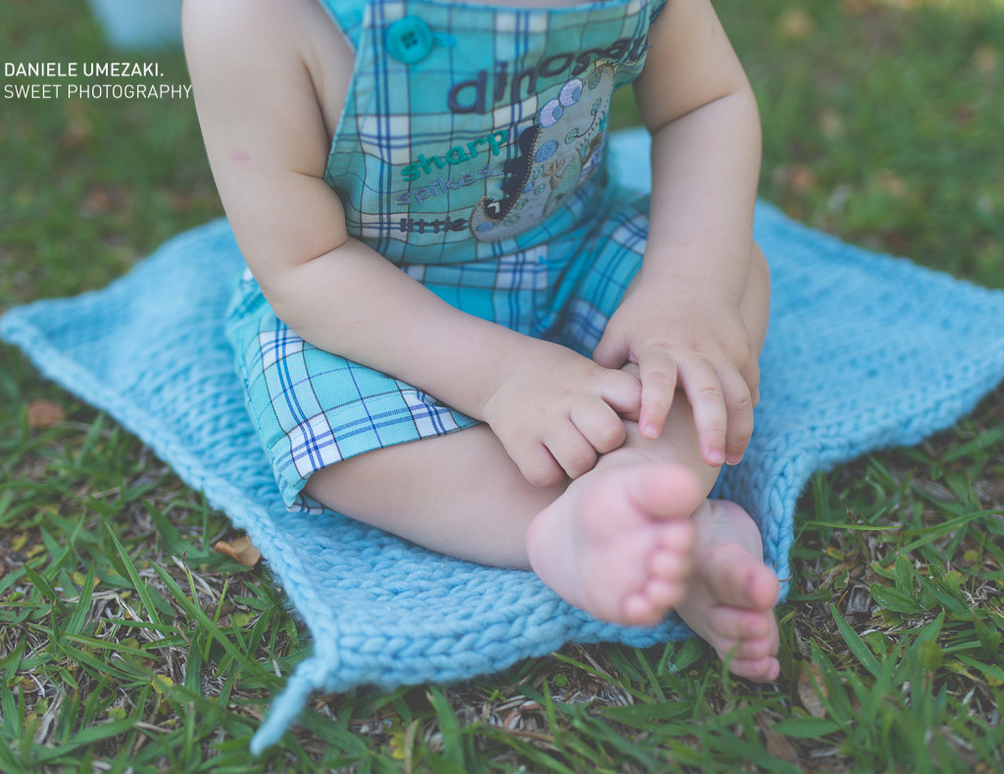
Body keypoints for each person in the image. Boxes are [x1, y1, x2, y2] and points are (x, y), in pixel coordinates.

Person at [184, 0, 781, 681]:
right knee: (311, 407)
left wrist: (686, 289)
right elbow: (305, 265)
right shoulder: (255, 19)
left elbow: (702, 103)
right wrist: (500, 377)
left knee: (726, 283)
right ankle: (601, 529)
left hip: (571, 252)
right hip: (374, 308)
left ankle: (651, 476)